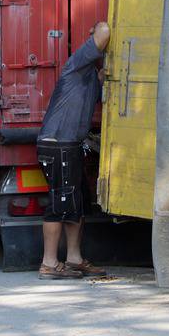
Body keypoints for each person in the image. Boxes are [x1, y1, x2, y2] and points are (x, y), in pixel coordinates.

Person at [37, 21, 111, 279]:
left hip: (71, 145)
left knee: (76, 204)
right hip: (58, 145)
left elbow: (103, 77)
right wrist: (101, 28)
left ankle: (74, 259)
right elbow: (103, 31)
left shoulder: (92, 75)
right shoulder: (78, 63)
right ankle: (48, 263)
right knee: (60, 203)